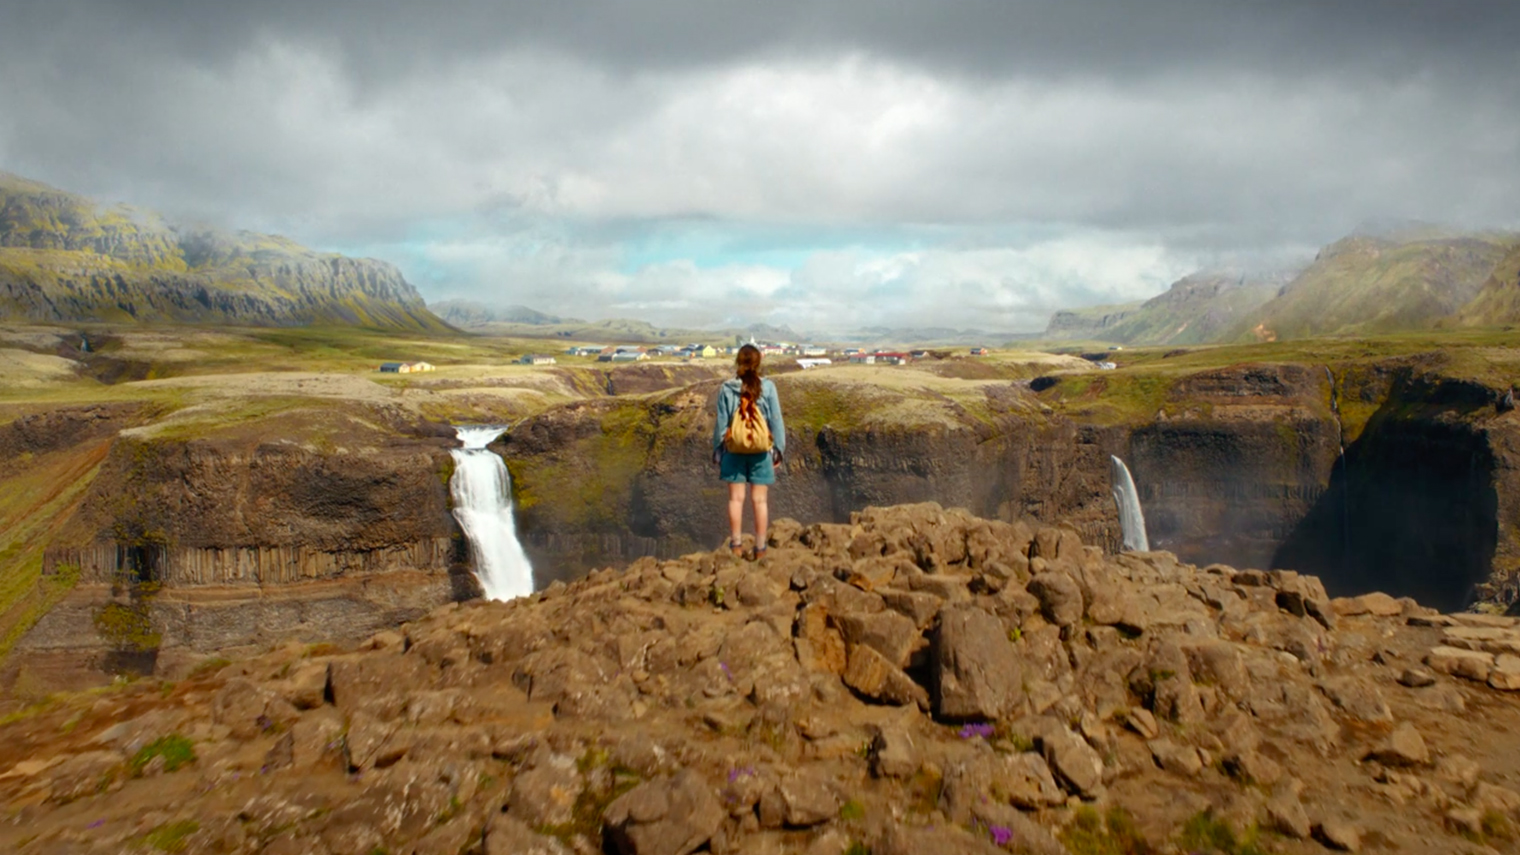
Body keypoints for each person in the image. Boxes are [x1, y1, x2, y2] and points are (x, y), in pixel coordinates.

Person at [712, 343, 785, 559]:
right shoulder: (768, 387)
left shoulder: (727, 388)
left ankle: (736, 545)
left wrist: (718, 449)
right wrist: (778, 449)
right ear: (758, 363)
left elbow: (722, 424)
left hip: (733, 451)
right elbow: (776, 421)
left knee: (736, 499)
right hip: (761, 451)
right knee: (759, 501)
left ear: (738, 363)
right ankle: (760, 549)